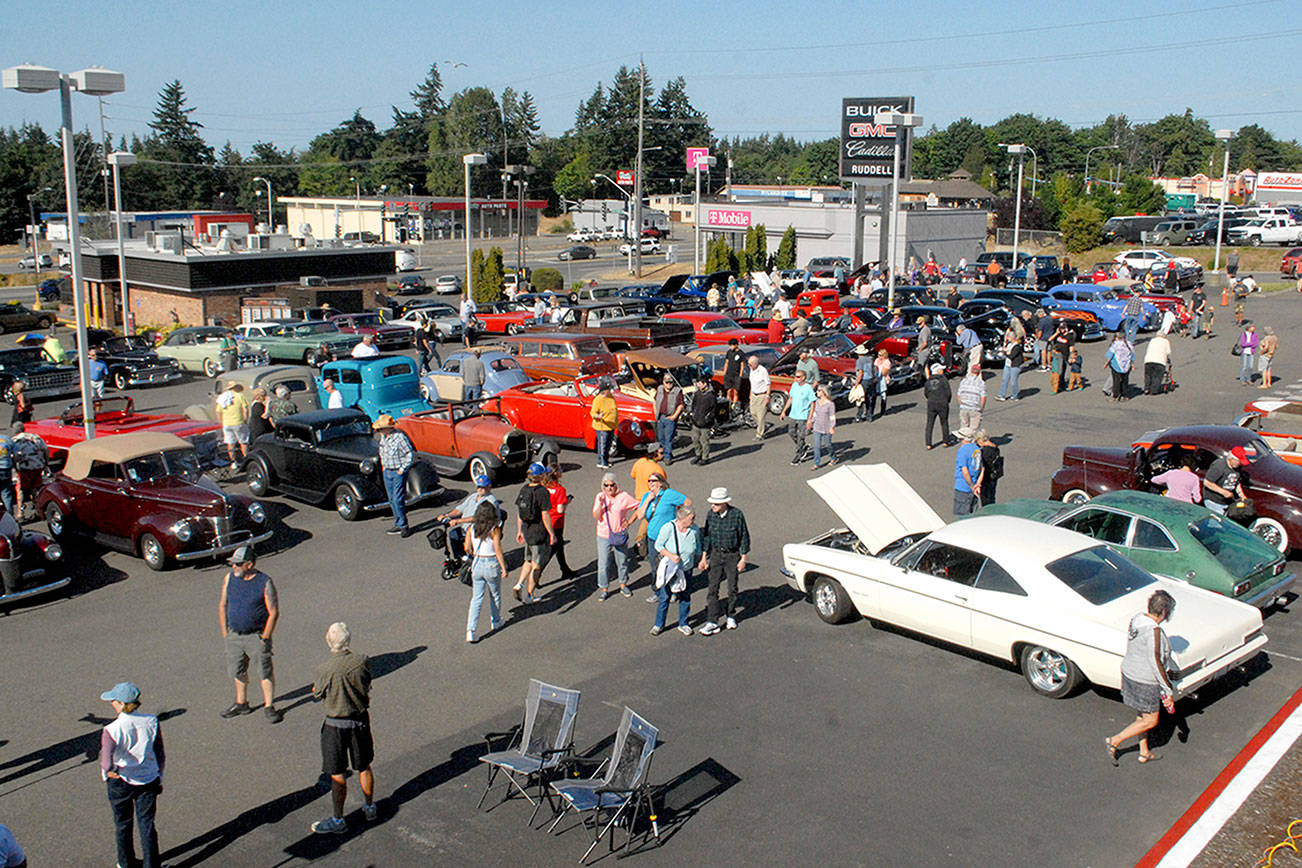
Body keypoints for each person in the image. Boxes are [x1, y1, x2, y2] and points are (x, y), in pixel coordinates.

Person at [310, 622, 377, 834]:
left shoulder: (325, 669)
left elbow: (317, 693)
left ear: (329, 642)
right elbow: (368, 683)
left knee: (337, 773)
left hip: (335, 726)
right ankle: (369, 806)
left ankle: (338, 819)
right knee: (364, 766)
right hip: (359, 721)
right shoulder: (362, 661)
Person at [1106, 590, 1177, 766]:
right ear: (1165, 612)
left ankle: (1144, 752)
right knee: (1151, 720)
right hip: (1144, 680)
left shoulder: (1137, 619)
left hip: (1130, 672)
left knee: (1142, 716)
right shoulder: (1155, 632)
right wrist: (1168, 689)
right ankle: (1114, 740)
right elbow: (1155, 661)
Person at [99, 681, 165, 868]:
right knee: (147, 824)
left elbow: (106, 761)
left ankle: (125, 863)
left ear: (121, 704)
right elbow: (160, 753)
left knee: (122, 824)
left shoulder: (111, 730)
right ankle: (151, 864)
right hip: (148, 779)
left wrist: (110, 771)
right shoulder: (152, 721)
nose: (112, 703)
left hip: (121, 781)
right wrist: (159, 776)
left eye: (114, 700)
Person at [218, 545, 282, 723]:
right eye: (233, 563)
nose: (234, 567)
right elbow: (223, 605)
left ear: (250, 564)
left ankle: (269, 706)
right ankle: (241, 703)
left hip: (256, 636)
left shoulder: (264, 582)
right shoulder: (229, 579)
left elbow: (274, 612)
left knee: (264, 671)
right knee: (237, 670)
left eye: (238, 564)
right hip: (234, 636)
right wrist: (226, 633)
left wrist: (265, 637)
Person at [697, 487, 749, 636]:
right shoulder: (710, 515)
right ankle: (712, 620)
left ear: (725, 503)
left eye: (716, 504)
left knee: (732, 587)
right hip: (715, 555)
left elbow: (744, 537)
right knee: (712, 588)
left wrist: (743, 559)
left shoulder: (737, 515)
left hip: (732, 556)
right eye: (712, 503)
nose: (713, 507)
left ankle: (731, 615)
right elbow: (707, 537)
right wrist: (703, 558)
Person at [636, 472, 689, 601]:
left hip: (668, 538)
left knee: (671, 565)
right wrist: (648, 500)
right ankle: (658, 592)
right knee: (655, 566)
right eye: (648, 481)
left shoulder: (669, 494)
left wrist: (680, 519)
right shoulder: (646, 497)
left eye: (653, 481)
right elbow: (639, 515)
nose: (650, 483)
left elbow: (687, 502)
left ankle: (674, 590)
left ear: (661, 482)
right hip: (653, 537)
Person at [652, 505, 700, 636]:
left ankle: (683, 623)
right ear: (682, 518)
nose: (694, 521)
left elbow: (698, 546)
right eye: (692, 518)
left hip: (687, 568)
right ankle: (659, 624)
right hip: (671, 569)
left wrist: (701, 559)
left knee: (685, 596)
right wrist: (671, 555)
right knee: (665, 597)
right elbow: (658, 545)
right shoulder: (669, 528)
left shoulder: (694, 529)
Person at [512, 462, 555, 604]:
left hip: (527, 531)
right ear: (541, 476)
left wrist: (519, 531)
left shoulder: (524, 489)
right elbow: (545, 515)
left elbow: (519, 513)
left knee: (528, 560)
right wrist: (552, 534)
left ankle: (519, 584)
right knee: (536, 565)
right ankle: (530, 595)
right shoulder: (542, 492)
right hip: (538, 533)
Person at [464, 502, 507, 641]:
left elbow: (467, 548)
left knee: (476, 598)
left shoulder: (472, 528)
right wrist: (504, 567)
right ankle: (496, 621)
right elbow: (498, 550)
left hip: (477, 564)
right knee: (495, 595)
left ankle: (471, 630)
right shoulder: (494, 529)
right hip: (491, 563)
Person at [437, 474, 500, 556]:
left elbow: (479, 517)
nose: (480, 489)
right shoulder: (473, 496)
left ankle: (471, 559)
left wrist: (458, 521)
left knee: (468, 543)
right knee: (453, 534)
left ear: (489, 486)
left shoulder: (491, 501)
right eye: (478, 486)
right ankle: (460, 558)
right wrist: (447, 515)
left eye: (482, 487)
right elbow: (459, 509)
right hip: (466, 528)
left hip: (479, 529)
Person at [374, 414, 415, 538]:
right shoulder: (383, 438)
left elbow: (409, 454)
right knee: (391, 499)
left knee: (398, 499)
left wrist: (402, 469)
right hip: (387, 471)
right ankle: (398, 522)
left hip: (397, 471)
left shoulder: (399, 438)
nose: (379, 431)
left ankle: (403, 526)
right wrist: (384, 467)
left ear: (388, 428)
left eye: (381, 429)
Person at [545, 467, 577, 582]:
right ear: (555, 473)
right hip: (557, 522)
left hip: (546, 520)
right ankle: (536, 574)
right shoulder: (560, 489)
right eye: (559, 470)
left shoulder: (545, 487)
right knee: (553, 549)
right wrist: (567, 501)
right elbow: (560, 510)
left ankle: (565, 569)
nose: (561, 471)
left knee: (559, 547)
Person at [10, 424, 46, 521]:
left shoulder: (13, 441)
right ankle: (37, 509)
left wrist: (14, 468)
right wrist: (45, 463)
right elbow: (45, 449)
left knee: (20, 489)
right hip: (37, 466)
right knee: (35, 488)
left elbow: (13, 457)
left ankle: (20, 512)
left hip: (23, 469)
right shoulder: (35, 437)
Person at [781, 369, 816, 464]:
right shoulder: (794, 386)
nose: (796, 379)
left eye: (798, 377)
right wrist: (784, 411)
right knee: (791, 433)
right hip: (793, 414)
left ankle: (799, 454)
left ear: (804, 378)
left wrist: (809, 419)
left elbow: (813, 403)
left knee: (801, 435)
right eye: (795, 376)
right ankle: (803, 446)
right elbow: (790, 399)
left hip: (803, 416)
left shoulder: (808, 388)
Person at [1202, 446, 1249, 516]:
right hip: (1213, 501)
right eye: (1239, 462)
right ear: (1232, 459)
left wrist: (1242, 496)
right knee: (1218, 522)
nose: (1240, 464)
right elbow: (1207, 482)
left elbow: (1236, 482)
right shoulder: (1219, 466)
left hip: (1225, 502)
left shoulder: (1237, 468)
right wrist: (1224, 492)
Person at [652, 373, 684, 464]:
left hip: (670, 418)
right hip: (660, 417)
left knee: (668, 438)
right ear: (663, 382)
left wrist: (674, 417)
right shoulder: (659, 389)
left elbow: (681, 405)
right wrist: (655, 413)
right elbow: (654, 401)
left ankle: (667, 456)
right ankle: (667, 452)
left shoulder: (677, 391)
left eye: (670, 382)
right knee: (661, 438)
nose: (669, 384)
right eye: (667, 382)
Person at [688, 373, 716, 465]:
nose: (698, 385)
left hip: (705, 423)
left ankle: (705, 458)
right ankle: (698, 454)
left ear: (705, 384)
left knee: (704, 441)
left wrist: (708, 419)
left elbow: (713, 410)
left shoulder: (711, 395)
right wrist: (693, 415)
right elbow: (693, 405)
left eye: (699, 383)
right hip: (696, 421)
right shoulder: (697, 394)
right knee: (695, 439)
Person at [923, 363, 953, 450]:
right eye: (941, 369)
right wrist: (947, 400)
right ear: (938, 371)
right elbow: (948, 392)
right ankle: (945, 441)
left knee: (929, 423)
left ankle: (928, 443)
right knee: (944, 422)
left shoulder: (928, 381)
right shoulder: (943, 380)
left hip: (931, 403)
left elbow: (926, 393)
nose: (942, 371)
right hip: (942, 403)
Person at [953, 431, 984, 516]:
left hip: (963, 486)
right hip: (974, 485)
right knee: (974, 513)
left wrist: (971, 486)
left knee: (961, 516)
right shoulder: (977, 449)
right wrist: (977, 483)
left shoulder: (962, 451)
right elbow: (982, 468)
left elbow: (965, 470)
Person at [590, 378, 618, 468]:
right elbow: (593, 413)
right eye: (609, 390)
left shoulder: (611, 397)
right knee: (603, 445)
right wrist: (599, 416)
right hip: (602, 426)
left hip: (611, 426)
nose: (611, 391)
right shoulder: (598, 400)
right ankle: (601, 462)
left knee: (608, 444)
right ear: (604, 391)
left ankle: (606, 460)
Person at [808, 384, 838, 469]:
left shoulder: (830, 404)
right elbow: (815, 414)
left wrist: (832, 427)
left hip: (827, 428)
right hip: (817, 428)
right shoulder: (817, 402)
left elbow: (832, 417)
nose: (817, 392)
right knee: (817, 446)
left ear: (823, 392)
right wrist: (811, 421)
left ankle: (833, 457)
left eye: (818, 391)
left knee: (828, 444)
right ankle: (816, 463)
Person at [746, 355, 772, 439]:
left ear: (755, 364)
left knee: (760, 415)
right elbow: (752, 383)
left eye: (750, 364)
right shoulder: (751, 370)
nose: (749, 366)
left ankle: (760, 434)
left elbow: (768, 384)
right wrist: (750, 393)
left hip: (762, 395)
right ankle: (762, 426)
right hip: (754, 394)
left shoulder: (763, 371)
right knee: (753, 412)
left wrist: (767, 396)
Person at [956, 364, 985, 436]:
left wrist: (962, 405)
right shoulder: (981, 383)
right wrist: (981, 409)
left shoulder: (964, 381)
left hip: (964, 407)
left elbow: (959, 395)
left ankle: (964, 444)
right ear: (979, 372)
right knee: (973, 429)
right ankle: (971, 444)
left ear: (971, 371)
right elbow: (983, 398)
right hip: (975, 408)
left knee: (963, 428)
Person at [1103, 332, 1133, 401]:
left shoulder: (1115, 344)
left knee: (1116, 381)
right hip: (1126, 365)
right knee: (1125, 380)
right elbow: (1132, 354)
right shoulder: (1128, 344)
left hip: (1116, 365)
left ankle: (1115, 396)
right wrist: (1132, 363)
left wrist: (1106, 363)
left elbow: (1110, 355)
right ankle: (1124, 395)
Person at [850, 344, 875, 423]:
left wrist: (857, 383)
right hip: (870, 379)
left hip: (863, 380)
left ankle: (859, 416)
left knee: (860, 398)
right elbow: (873, 370)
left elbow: (860, 372)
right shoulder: (870, 359)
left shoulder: (859, 361)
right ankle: (869, 416)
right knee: (868, 398)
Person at [996, 326, 1023, 401]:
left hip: (1015, 366)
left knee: (1013, 381)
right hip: (1007, 365)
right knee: (1004, 380)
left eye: (1008, 337)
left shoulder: (1017, 346)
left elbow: (1011, 356)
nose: (1007, 338)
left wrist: (1005, 352)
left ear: (1012, 338)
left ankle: (1015, 396)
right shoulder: (1009, 344)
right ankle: (1002, 395)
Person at [976, 429, 1002, 507]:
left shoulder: (985, 451)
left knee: (986, 499)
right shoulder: (995, 447)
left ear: (980, 440)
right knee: (992, 496)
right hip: (993, 476)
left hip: (986, 478)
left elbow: (983, 465)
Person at [1143, 330, 1172, 395]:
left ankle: (1147, 388)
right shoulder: (1166, 341)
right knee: (1157, 376)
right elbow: (1168, 352)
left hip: (1148, 359)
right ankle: (1154, 390)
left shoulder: (1152, 340)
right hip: (1160, 361)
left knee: (1148, 375)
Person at [722, 338, 745, 419]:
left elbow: (742, 365)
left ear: (736, 345)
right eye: (730, 345)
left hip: (736, 375)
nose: (731, 347)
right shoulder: (729, 352)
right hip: (729, 374)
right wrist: (724, 373)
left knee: (735, 391)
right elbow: (726, 362)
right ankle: (728, 404)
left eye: (732, 345)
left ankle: (734, 405)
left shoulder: (741, 353)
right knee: (728, 391)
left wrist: (740, 376)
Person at [870, 348, 892, 419]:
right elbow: (874, 368)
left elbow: (884, 372)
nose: (879, 356)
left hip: (883, 379)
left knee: (883, 395)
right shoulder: (877, 360)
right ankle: (871, 411)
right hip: (876, 378)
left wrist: (877, 376)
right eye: (878, 355)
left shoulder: (887, 362)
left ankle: (883, 410)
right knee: (874, 395)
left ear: (884, 355)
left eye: (881, 355)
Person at [0, 428, 13, 516]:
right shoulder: (7, 439)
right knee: (6, 493)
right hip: (5, 468)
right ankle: (10, 516)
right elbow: (16, 453)